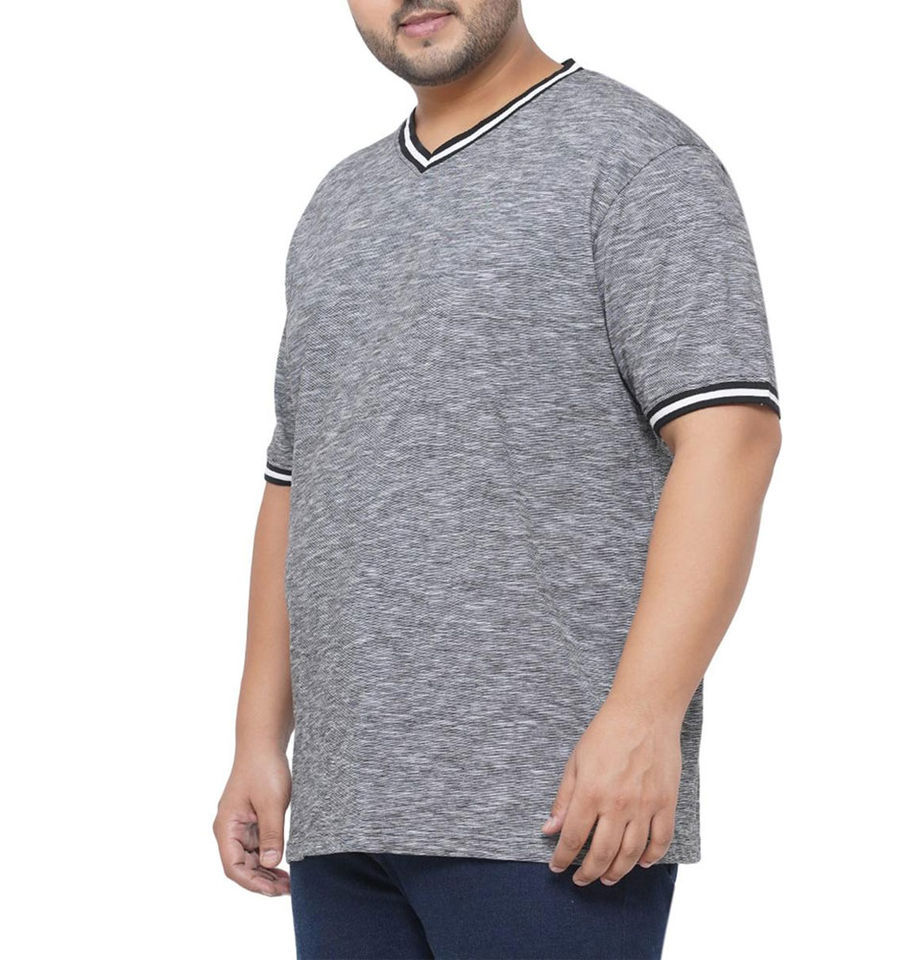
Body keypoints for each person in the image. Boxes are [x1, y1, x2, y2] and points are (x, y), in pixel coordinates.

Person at [213, 1, 782, 957]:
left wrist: (644, 718)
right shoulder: (338, 205)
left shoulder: (635, 160)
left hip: (554, 808)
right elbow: (296, 483)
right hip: (345, 812)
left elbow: (731, 439)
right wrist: (258, 740)